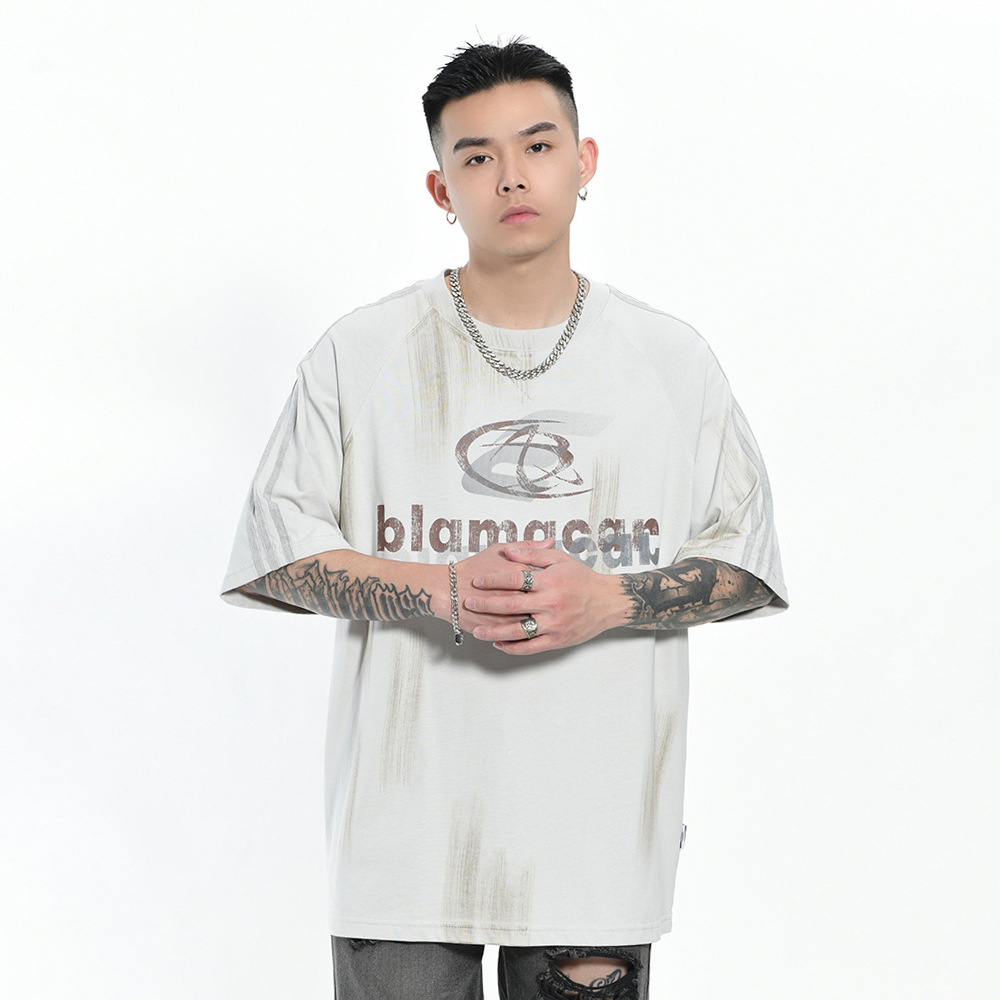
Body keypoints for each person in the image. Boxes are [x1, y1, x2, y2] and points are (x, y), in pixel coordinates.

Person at [221, 38, 787, 1000]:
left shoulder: (670, 361)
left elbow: (747, 561)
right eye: (476, 155)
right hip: (403, 847)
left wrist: (610, 600)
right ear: (440, 188)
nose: (511, 176)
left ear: (584, 161)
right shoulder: (361, 353)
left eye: (537, 145)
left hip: (594, 847)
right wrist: (436, 587)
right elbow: (275, 549)